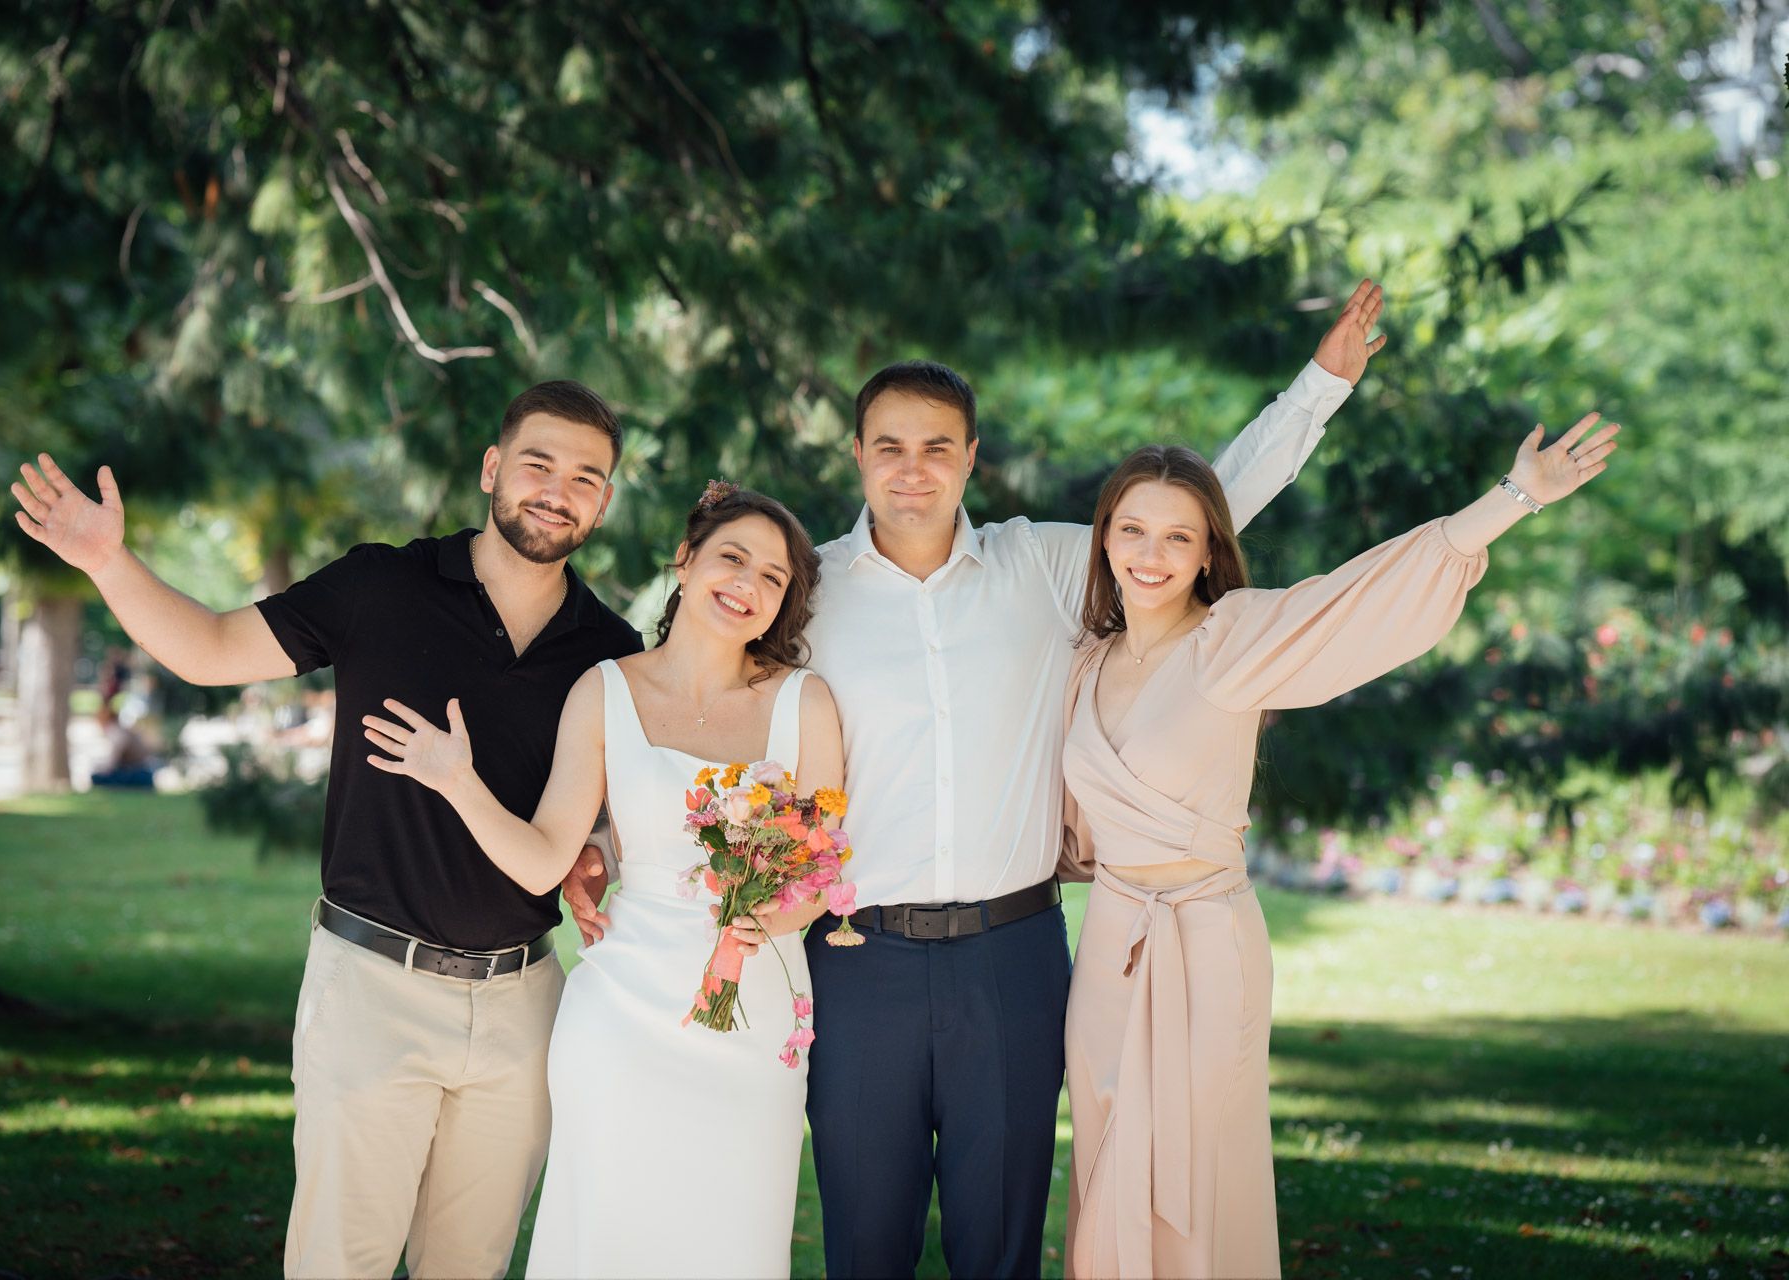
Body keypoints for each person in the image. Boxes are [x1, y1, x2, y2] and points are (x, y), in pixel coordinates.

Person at [563, 280, 1388, 1276]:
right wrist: (609, 837)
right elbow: (718, 721)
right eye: (890, 447)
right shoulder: (804, 592)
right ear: (859, 455)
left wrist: (1321, 386)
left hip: (1014, 958)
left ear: (970, 459)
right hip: (858, 959)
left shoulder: (1042, 569)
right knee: (868, 1243)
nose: (913, 470)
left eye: (937, 447)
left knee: (1000, 1248)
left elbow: (1195, 508)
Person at [9, 381, 640, 1280]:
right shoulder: (382, 585)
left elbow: (614, 813)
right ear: (492, 469)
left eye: (585, 475)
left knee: (472, 1265)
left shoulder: (610, 649)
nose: (557, 488)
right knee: (338, 1262)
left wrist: (596, 854)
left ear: (603, 500)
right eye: (538, 463)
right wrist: (110, 563)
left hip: (523, 1003)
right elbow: (214, 651)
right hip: (374, 987)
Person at [1058, 414, 1620, 1278]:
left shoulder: (1231, 637)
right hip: (1109, 945)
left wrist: (1512, 499)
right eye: (1132, 529)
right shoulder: (1084, 664)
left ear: (1210, 552)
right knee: (1103, 1152)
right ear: (1104, 541)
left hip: (1205, 940)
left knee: (1199, 1167)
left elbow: (1360, 597)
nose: (1152, 553)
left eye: (1179, 536)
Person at [361, 484, 845, 1279]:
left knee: (732, 1239)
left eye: (773, 577)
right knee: (605, 1237)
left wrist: (775, 917)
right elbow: (547, 855)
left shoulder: (804, 701)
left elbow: (822, 870)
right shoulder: (605, 690)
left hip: (753, 1017)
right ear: (686, 562)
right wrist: (457, 779)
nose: (748, 584)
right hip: (621, 1017)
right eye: (732, 557)